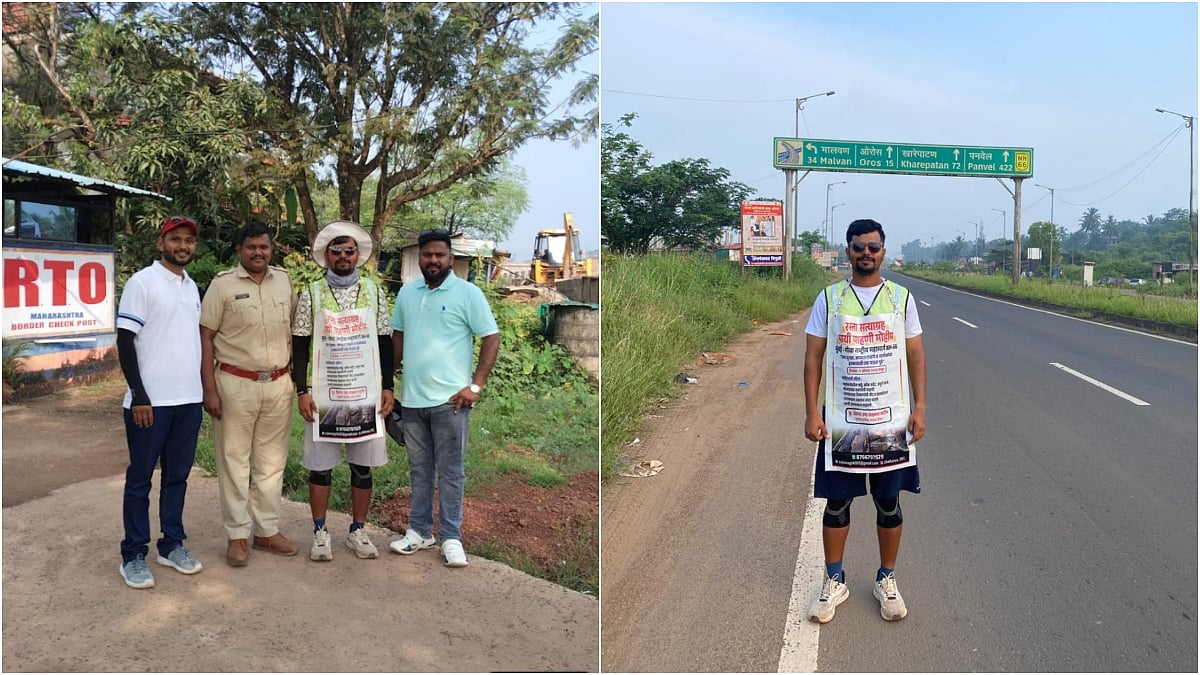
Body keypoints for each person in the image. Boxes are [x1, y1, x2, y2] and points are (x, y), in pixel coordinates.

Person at [803, 218, 927, 623]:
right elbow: (813, 358)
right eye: (859, 246)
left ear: (883, 251)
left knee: (888, 503)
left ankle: (886, 579)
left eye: (873, 247)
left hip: (891, 420)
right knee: (837, 502)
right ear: (848, 251)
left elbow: (915, 356)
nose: (866, 253)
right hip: (842, 419)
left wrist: (920, 407)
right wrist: (810, 411)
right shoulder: (830, 298)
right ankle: (834, 580)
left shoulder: (902, 298)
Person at [388, 229, 500, 567]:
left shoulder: (468, 294)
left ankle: (452, 537)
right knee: (419, 470)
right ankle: (419, 532)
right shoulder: (407, 294)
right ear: (419, 258)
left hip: (452, 403)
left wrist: (475, 386)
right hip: (412, 402)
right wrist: (386, 384)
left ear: (450, 258)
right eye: (427, 255)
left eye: (439, 255)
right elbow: (398, 339)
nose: (433, 260)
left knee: (451, 472)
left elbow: (491, 338)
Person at [291, 221, 394, 561]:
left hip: (364, 393)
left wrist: (388, 386)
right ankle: (320, 532)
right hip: (324, 394)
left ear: (358, 255)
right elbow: (300, 344)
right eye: (336, 251)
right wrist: (302, 390)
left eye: (349, 250)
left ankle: (357, 531)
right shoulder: (312, 293)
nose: (343, 256)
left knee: (361, 467)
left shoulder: (374, 292)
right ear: (326, 255)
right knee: (320, 467)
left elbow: (384, 341)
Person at [200, 221, 299, 567]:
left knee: (272, 463)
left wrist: (299, 383)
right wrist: (208, 388)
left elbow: (295, 333)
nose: (258, 253)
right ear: (239, 250)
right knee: (234, 461)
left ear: (272, 249)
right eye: (251, 247)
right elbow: (206, 337)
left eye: (264, 247)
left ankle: (267, 531)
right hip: (234, 384)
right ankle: (237, 535)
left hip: (278, 384)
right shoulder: (222, 285)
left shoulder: (285, 281)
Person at [115, 215, 205, 589]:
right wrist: (139, 394)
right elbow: (124, 341)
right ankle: (133, 554)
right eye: (176, 240)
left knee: (178, 477)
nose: (182, 246)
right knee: (140, 480)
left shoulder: (192, 286)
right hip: (150, 403)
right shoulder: (142, 282)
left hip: (189, 400)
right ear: (161, 242)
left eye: (188, 241)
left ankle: (171, 544)